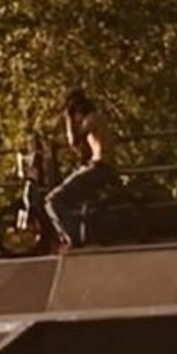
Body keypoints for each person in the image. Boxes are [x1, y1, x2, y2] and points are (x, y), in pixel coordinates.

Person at [45, 89, 118, 251]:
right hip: (101, 166)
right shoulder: (97, 118)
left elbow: (74, 141)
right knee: (79, 200)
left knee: (54, 200)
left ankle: (72, 238)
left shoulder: (92, 119)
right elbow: (84, 148)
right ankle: (84, 234)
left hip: (99, 167)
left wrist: (68, 119)